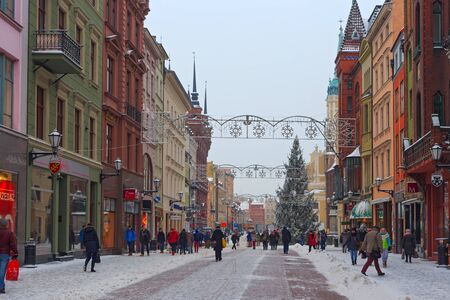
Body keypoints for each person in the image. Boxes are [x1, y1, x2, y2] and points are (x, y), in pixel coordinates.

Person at [0, 219, 18, 294]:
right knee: (2, 271)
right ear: (7, 224)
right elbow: (12, 244)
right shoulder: (10, 233)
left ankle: (1, 286)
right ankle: (1, 287)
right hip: (5, 254)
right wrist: (15, 252)